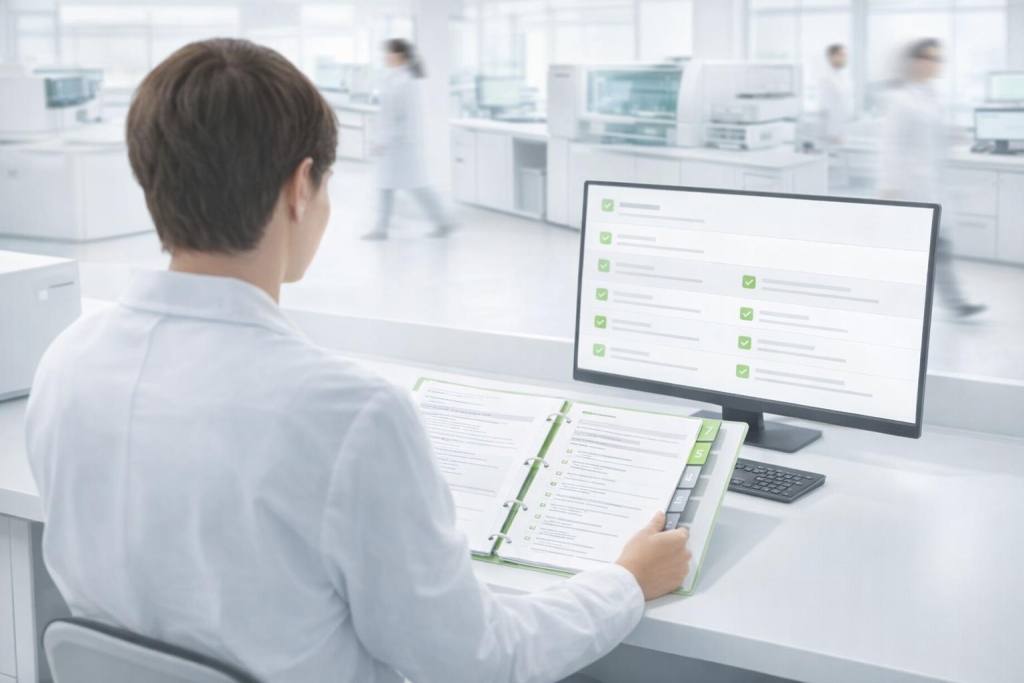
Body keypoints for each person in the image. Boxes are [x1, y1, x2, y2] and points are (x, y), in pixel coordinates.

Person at [24, 39, 692, 683]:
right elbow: (479, 662)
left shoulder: (67, 366)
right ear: (300, 187)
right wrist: (627, 581)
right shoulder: (346, 414)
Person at [878, 38, 985, 319]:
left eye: (938, 59)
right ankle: (894, 303)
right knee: (918, 250)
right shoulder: (900, 99)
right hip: (912, 189)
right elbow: (891, 145)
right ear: (915, 62)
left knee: (938, 247)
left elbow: (936, 139)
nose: (936, 64)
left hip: (933, 187)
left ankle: (955, 303)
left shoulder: (930, 96)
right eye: (930, 58)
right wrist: (889, 188)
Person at [363, 38, 453, 240]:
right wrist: (381, 140)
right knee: (388, 186)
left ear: (400, 56)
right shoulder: (394, 79)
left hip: (401, 146)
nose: (385, 57)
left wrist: (384, 142)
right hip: (394, 145)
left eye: (389, 53)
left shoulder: (405, 82)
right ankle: (381, 229)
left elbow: (401, 119)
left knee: (416, 186)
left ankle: (444, 223)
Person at [819, 44, 854, 147]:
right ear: (831, 56)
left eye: (845, 55)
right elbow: (826, 108)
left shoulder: (844, 75)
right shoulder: (826, 78)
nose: (845, 58)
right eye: (841, 55)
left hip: (845, 127)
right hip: (833, 134)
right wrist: (832, 133)